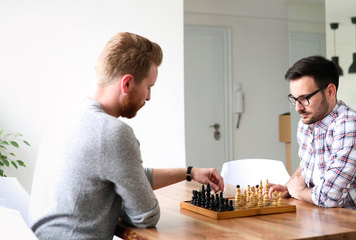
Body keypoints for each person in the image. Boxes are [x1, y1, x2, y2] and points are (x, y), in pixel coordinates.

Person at [29, 32, 224, 240]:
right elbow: (146, 216)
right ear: (127, 83)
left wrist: (190, 172)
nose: (149, 97)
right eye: (148, 87)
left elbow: (130, 175)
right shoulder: (112, 132)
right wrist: (125, 202)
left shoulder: (65, 116)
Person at [270, 55, 356, 215]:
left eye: (304, 98)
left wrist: (297, 192)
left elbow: (328, 197)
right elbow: (306, 165)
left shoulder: (349, 124)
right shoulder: (307, 123)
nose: (298, 108)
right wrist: (287, 187)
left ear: (330, 92)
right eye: (294, 99)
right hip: (322, 218)